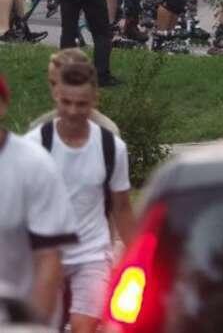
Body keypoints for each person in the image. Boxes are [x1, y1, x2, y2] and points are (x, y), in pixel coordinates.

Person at [25, 61, 136, 333]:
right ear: (56, 96)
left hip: (92, 252)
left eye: (81, 104)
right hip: (46, 253)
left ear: (95, 100)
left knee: (82, 326)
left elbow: (122, 207)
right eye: (66, 103)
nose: (73, 112)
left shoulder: (111, 147)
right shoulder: (35, 144)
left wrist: (138, 255)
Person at [0, 73, 78, 326]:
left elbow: (49, 258)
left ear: (3, 106)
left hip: (18, 319)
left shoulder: (33, 165)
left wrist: (33, 325)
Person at [29, 49, 121, 135]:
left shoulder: (106, 133)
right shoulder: (38, 129)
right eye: (52, 83)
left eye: (60, 83)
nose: (55, 90)